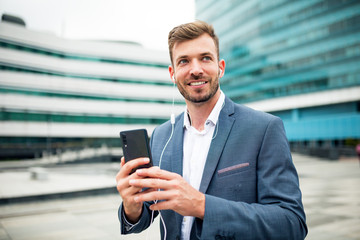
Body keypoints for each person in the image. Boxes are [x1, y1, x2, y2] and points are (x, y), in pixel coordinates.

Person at [116, 20, 307, 240]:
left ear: (221, 67)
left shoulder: (265, 128)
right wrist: (132, 206)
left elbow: (292, 223)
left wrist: (201, 205)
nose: (195, 70)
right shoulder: (161, 135)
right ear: (172, 73)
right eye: (184, 61)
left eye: (205, 58)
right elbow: (148, 210)